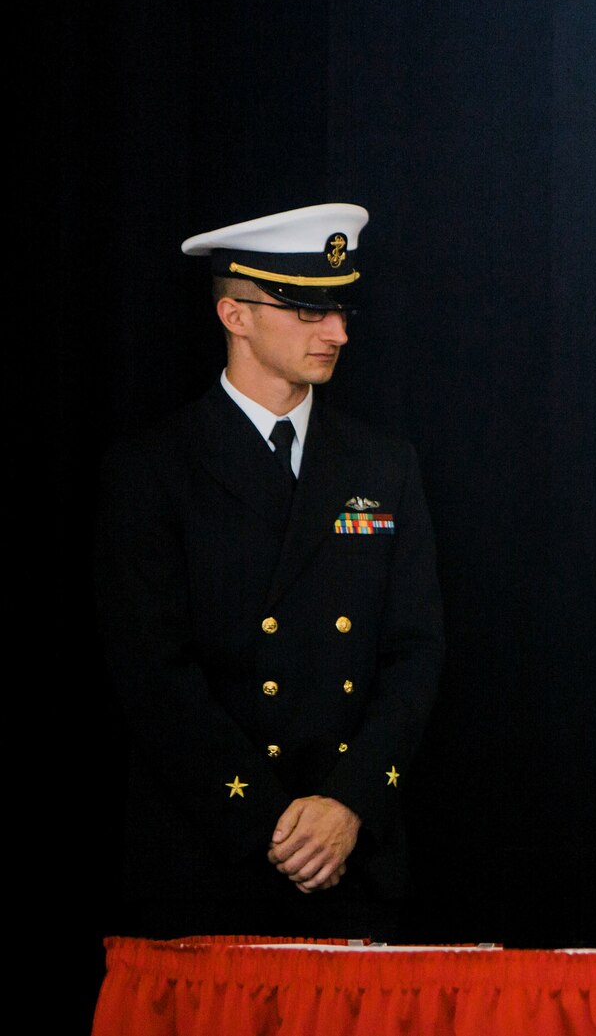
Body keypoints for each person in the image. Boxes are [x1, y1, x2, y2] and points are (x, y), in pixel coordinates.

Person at [96, 203, 445, 939]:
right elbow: (156, 675)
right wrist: (271, 821)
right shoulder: (156, 469)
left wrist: (348, 803)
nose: (339, 332)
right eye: (308, 309)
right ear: (235, 313)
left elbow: (415, 652)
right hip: (211, 861)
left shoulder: (385, 463)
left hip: (352, 857)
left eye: (341, 308)